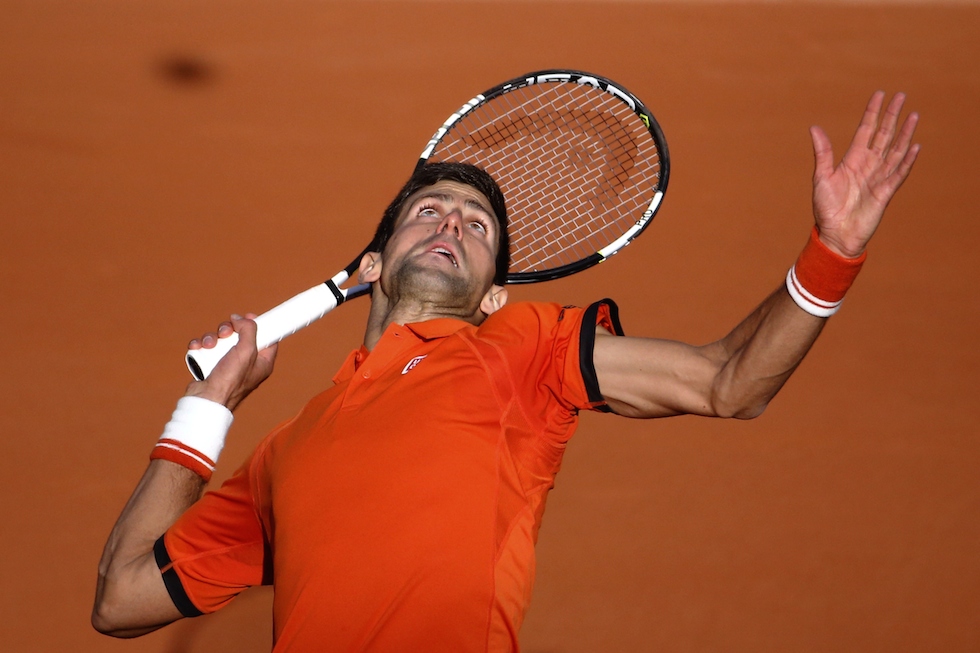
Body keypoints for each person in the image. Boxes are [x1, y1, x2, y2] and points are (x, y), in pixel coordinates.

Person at [93, 91, 919, 651]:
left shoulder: (525, 348)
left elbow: (727, 380)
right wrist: (208, 404)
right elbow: (122, 597)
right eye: (428, 209)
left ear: (493, 296)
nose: (451, 217)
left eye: (477, 223)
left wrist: (833, 254)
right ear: (376, 263)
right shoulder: (286, 450)